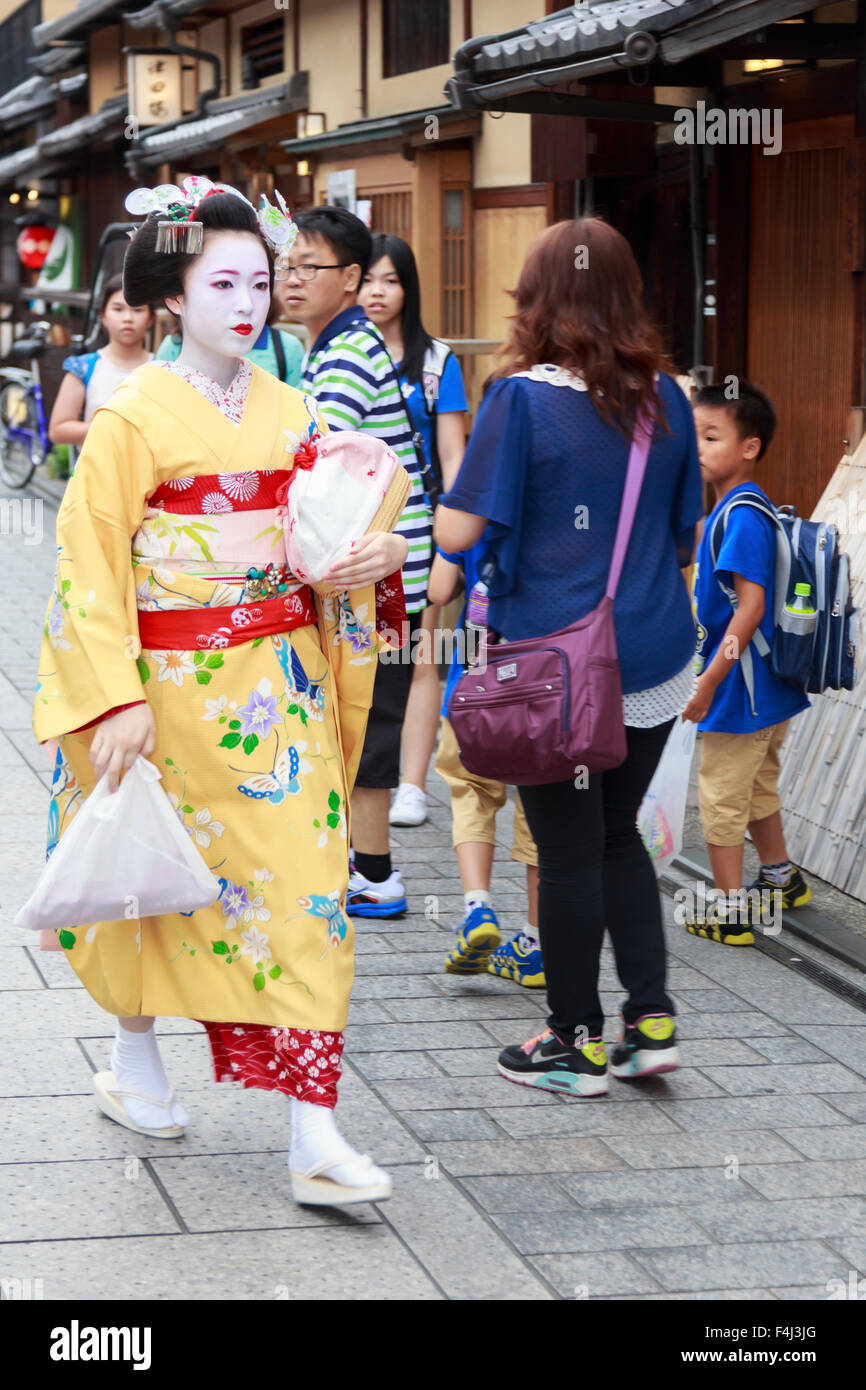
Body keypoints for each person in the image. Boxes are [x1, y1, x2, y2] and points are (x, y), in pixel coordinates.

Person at [32, 178, 409, 1206]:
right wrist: (111, 696)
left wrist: (363, 553)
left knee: (305, 894)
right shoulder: (131, 412)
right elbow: (87, 558)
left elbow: (320, 537)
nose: (248, 302)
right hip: (166, 692)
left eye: (261, 281)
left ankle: (313, 1133)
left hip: (277, 686)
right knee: (150, 876)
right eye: (223, 281)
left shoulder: (295, 413)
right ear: (171, 292)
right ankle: (138, 1059)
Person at [436, 217, 703, 1096]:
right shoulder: (668, 397)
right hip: (655, 658)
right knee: (619, 835)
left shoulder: (520, 399)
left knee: (568, 851)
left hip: (558, 673)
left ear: (537, 298)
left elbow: (461, 528)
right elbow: (680, 536)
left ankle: (575, 1042)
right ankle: (650, 1024)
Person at [286, 206, 431, 918]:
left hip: (385, 574)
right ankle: (362, 863)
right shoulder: (339, 339)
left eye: (307, 267)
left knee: (371, 716)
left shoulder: (345, 350)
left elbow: (316, 465)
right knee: (362, 713)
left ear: (348, 277)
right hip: (376, 567)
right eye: (286, 266)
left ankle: (376, 876)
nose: (290, 281)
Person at [681, 381, 811, 944]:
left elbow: (750, 608)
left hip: (741, 690)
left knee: (720, 798)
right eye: (695, 436)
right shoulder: (733, 512)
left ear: (750, 447)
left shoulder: (740, 517)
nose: (700, 448)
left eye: (713, 437)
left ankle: (730, 910)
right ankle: (781, 879)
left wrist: (709, 681)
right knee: (757, 787)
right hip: (765, 688)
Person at [359, 234, 468, 828]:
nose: (378, 292)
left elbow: (454, 459)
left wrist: (451, 544)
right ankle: (362, 773)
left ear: (409, 287)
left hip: (420, 535)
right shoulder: (346, 353)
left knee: (422, 656)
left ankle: (410, 784)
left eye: (391, 280)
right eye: (370, 280)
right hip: (356, 533)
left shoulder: (436, 362)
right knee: (364, 655)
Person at [428, 545, 543, 986]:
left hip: (477, 684)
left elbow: (439, 590)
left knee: (470, 790)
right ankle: (534, 943)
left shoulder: (475, 500)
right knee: (540, 807)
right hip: (544, 682)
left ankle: (478, 908)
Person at [48, 275, 154, 448]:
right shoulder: (84, 367)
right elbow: (57, 430)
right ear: (103, 316)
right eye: (118, 309)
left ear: (151, 318)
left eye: (138, 309)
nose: (128, 317)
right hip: (94, 472)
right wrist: (112, 427)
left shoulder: (162, 369)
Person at [156, 277, 304, 386]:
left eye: (260, 285)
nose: (246, 304)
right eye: (224, 284)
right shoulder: (175, 345)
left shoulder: (288, 347)